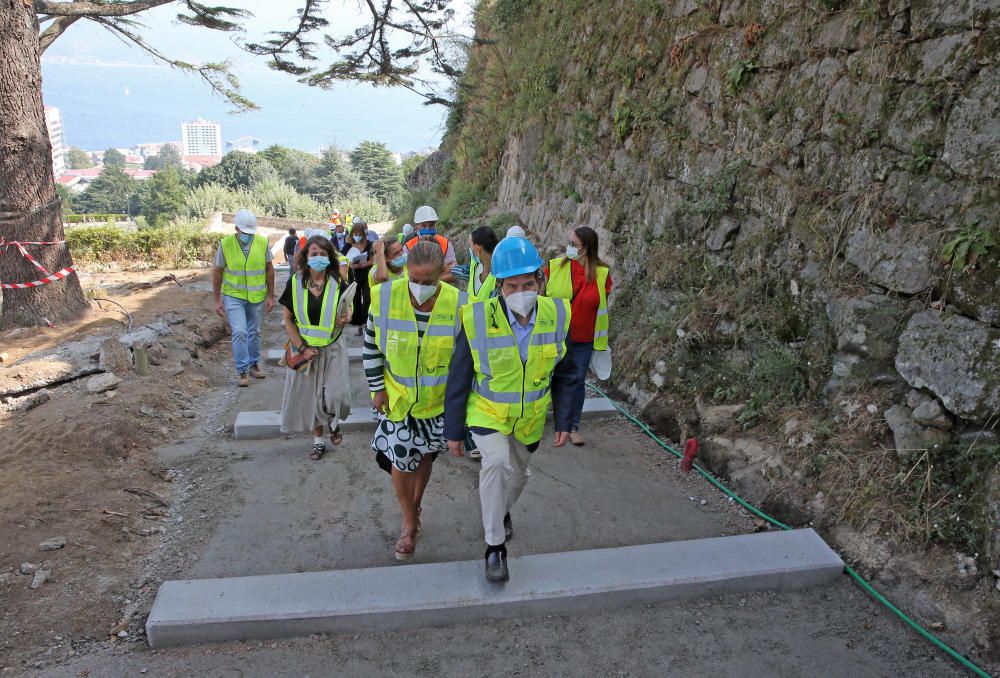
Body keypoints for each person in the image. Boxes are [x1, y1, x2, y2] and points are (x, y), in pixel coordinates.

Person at [445, 236, 577, 582]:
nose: (521, 291)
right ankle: (494, 549)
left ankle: (500, 512)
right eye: (512, 285)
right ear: (499, 286)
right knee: (496, 464)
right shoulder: (476, 319)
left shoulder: (557, 314)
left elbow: (566, 373)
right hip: (487, 412)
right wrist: (454, 431)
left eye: (528, 284)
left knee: (518, 476)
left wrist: (565, 420)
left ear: (540, 280)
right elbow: (459, 377)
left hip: (530, 419)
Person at [365, 241, 466, 560]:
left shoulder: (458, 305)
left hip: (437, 403)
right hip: (399, 400)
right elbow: (371, 348)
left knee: (425, 458)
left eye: (429, 282)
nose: (420, 287)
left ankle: (417, 503)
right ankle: (409, 523)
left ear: (443, 275)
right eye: (415, 280)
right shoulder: (383, 298)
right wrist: (377, 387)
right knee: (400, 461)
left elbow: (465, 360)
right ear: (406, 271)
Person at [279, 235, 352, 460]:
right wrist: (302, 348)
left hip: (333, 348)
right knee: (312, 399)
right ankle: (318, 441)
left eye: (323, 254)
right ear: (306, 257)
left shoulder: (338, 283)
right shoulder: (295, 283)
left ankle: (333, 420)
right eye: (314, 254)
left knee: (334, 396)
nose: (318, 258)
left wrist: (345, 318)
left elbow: (347, 311)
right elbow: (288, 319)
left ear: (329, 257)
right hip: (307, 351)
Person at [545, 226, 612, 447]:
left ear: (587, 249)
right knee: (551, 376)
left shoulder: (602, 274)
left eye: (574, 245)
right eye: (569, 242)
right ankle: (551, 419)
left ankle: (572, 426)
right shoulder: (555, 266)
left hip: (583, 338)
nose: (569, 247)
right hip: (556, 335)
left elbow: (602, 303)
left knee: (577, 381)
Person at [212, 209, 275, 387]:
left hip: (256, 296)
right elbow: (218, 272)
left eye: (250, 232)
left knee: (254, 332)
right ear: (236, 229)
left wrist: (270, 295)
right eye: (244, 232)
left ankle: (254, 364)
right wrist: (217, 299)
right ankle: (242, 370)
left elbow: (269, 268)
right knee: (240, 332)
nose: (247, 235)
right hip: (233, 296)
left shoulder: (262, 242)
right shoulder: (225, 244)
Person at [405, 205, 457, 283]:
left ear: (435, 225)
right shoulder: (408, 247)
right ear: (417, 226)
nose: (428, 229)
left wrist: (430, 283)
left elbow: (454, 274)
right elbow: (405, 275)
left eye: (431, 225)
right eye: (424, 226)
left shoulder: (445, 244)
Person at [347, 219, 375, 335]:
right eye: (355, 234)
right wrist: (351, 264)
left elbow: (373, 260)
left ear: (364, 234)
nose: (357, 236)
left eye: (359, 234)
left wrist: (363, 265)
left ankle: (365, 323)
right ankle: (358, 325)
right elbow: (343, 259)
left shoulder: (370, 244)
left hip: (367, 275)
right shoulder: (348, 245)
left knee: (367, 299)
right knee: (356, 300)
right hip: (353, 276)